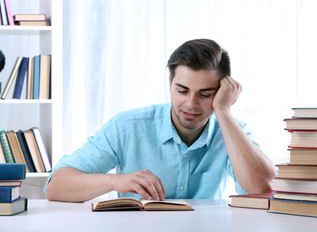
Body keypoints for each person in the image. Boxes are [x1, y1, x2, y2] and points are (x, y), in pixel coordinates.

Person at [45, 39, 276, 202]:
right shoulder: (129, 127)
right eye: (182, 91)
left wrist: (223, 111)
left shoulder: (233, 133)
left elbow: (262, 188)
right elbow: (56, 186)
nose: (191, 104)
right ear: (169, 84)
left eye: (205, 94)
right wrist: (115, 181)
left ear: (222, 91)